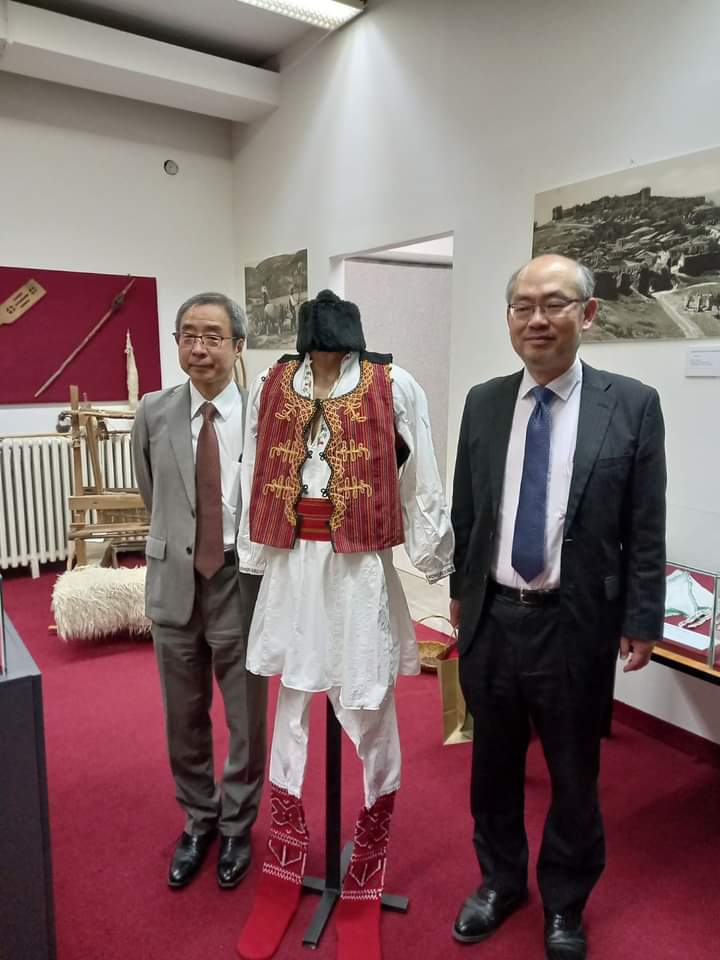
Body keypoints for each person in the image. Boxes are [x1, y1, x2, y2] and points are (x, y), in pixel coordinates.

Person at [449, 255, 666, 960]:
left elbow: (645, 525)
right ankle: (500, 881)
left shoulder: (630, 404)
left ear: (588, 313)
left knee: (574, 776)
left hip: (573, 626)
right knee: (493, 766)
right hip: (493, 618)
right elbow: (468, 509)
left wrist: (642, 617)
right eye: (522, 306)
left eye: (553, 304)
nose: (536, 319)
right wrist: (459, 593)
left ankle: (566, 902)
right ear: (509, 317)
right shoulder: (484, 401)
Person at [234, 290, 454, 960]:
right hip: (291, 566)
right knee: (292, 702)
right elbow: (252, 465)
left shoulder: (395, 384)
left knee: (368, 700)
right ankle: (287, 862)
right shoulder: (272, 385)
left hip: (359, 570)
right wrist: (251, 552)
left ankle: (364, 874)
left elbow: (421, 475)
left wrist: (433, 555)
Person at [131, 293, 267, 891]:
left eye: (213, 336)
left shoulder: (265, 414)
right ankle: (198, 819)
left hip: (240, 579)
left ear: (238, 346)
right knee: (182, 715)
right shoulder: (153, 411)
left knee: (246, 718)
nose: (199, 348)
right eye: (188, 335)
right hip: (174, 582)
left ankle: (237, 824)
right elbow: (151, 492)